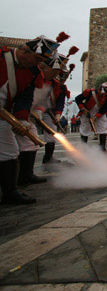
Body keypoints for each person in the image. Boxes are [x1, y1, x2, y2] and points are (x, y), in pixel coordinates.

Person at [1, 35, 60, 204]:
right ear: (24, 50)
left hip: (5, 113)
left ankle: (10, 191)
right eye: (36, 58)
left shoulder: (33, 72)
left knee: (10, 151)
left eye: (40, 60)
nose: (37, 63)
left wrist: (22, 119)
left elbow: (25, 98)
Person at [75, 82, 107, 150]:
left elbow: (104, 108)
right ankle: (83, 148)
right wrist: (83, 109)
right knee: (85, 129)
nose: (105, 94)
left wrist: (96, 117)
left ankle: (102, 148)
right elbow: (78, 99)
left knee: (103, 128)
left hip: (100, 112)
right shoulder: (89, 92)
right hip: (87, 111)